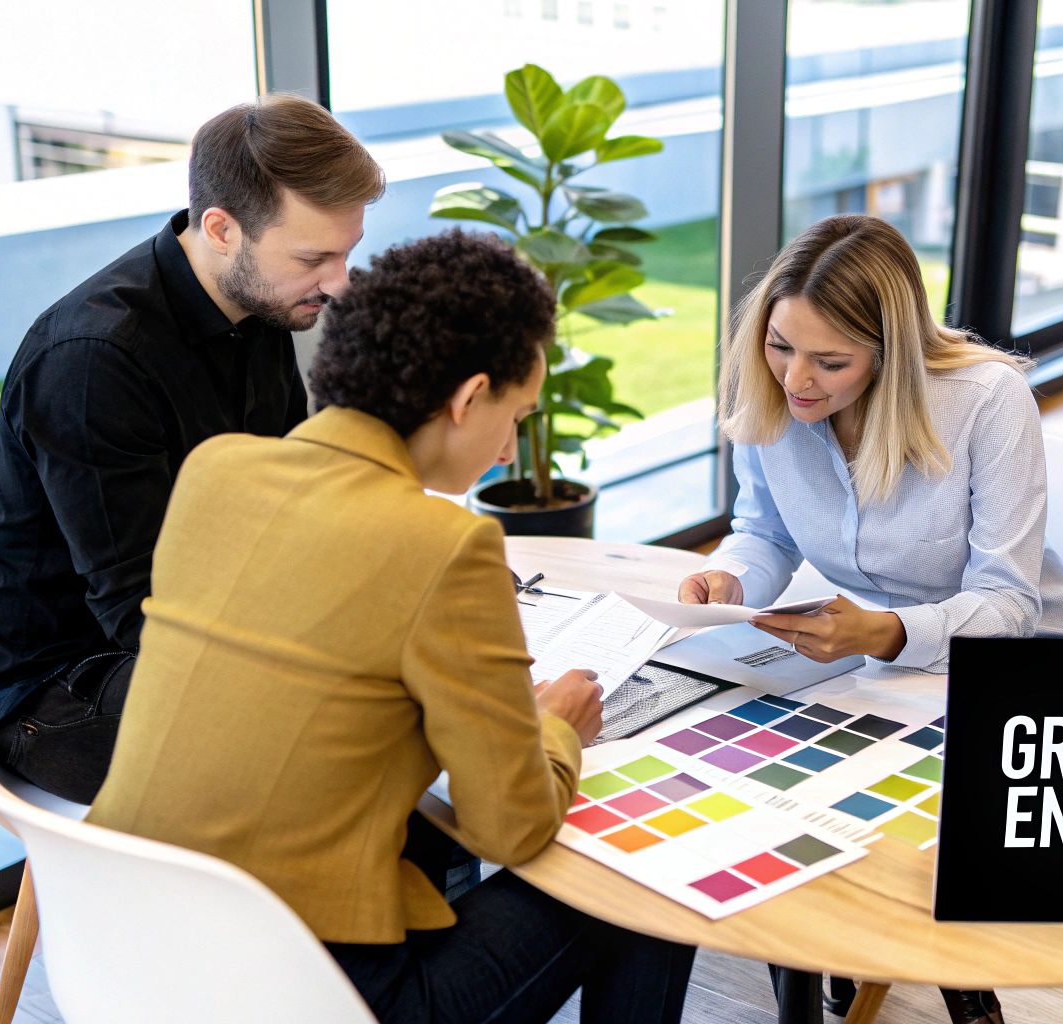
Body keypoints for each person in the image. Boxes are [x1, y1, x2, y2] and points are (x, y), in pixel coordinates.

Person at [88, 229, 695, 1024]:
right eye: (516, 415)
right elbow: (509, 828)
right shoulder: (446, 546)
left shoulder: (215, 471)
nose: (512, 445)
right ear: (468, 397)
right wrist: (555, 730)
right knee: (647, 877)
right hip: (310, 995)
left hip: (118, 950)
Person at [680, 214, 1063, 1024]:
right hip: (886, 664)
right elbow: (763, 531)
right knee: (759, 760)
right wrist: (730, 579)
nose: (796, 378)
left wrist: (889, 634)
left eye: (830, 361)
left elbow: (1011, 603)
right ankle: (830, 958)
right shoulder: (771, 391)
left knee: (875, 786)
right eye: (780, 345)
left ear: (889, 350)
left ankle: (949, 973)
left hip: (1022, 664)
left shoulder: (986, 402)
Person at [0, 94, 380, 804]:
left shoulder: (261, 303)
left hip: (195, 633)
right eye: (315, 257)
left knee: (408, 673)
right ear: (221, 228)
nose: (338, 283)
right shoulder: (92, 360)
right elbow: (144, 613)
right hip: (68, 693)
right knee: (366, 728)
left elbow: (285, 506)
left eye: (347, 252)